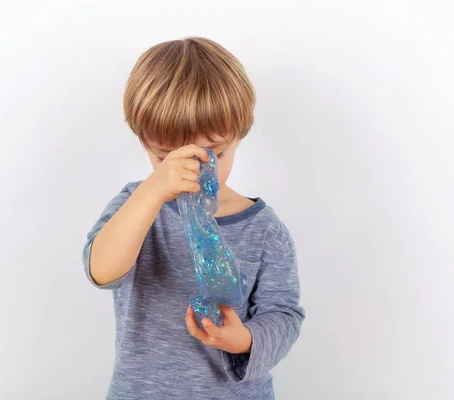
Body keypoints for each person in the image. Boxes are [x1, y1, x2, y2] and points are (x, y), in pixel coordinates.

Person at [83, 37, 305, 400]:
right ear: (145, 145)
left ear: (238, 137)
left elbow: (284, 314)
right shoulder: (135, 205)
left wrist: (245, 339)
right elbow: (101, 271)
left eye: (212, 155)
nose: (192, 172)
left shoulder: (264, 229)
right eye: (166, 158)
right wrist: (152, 192)